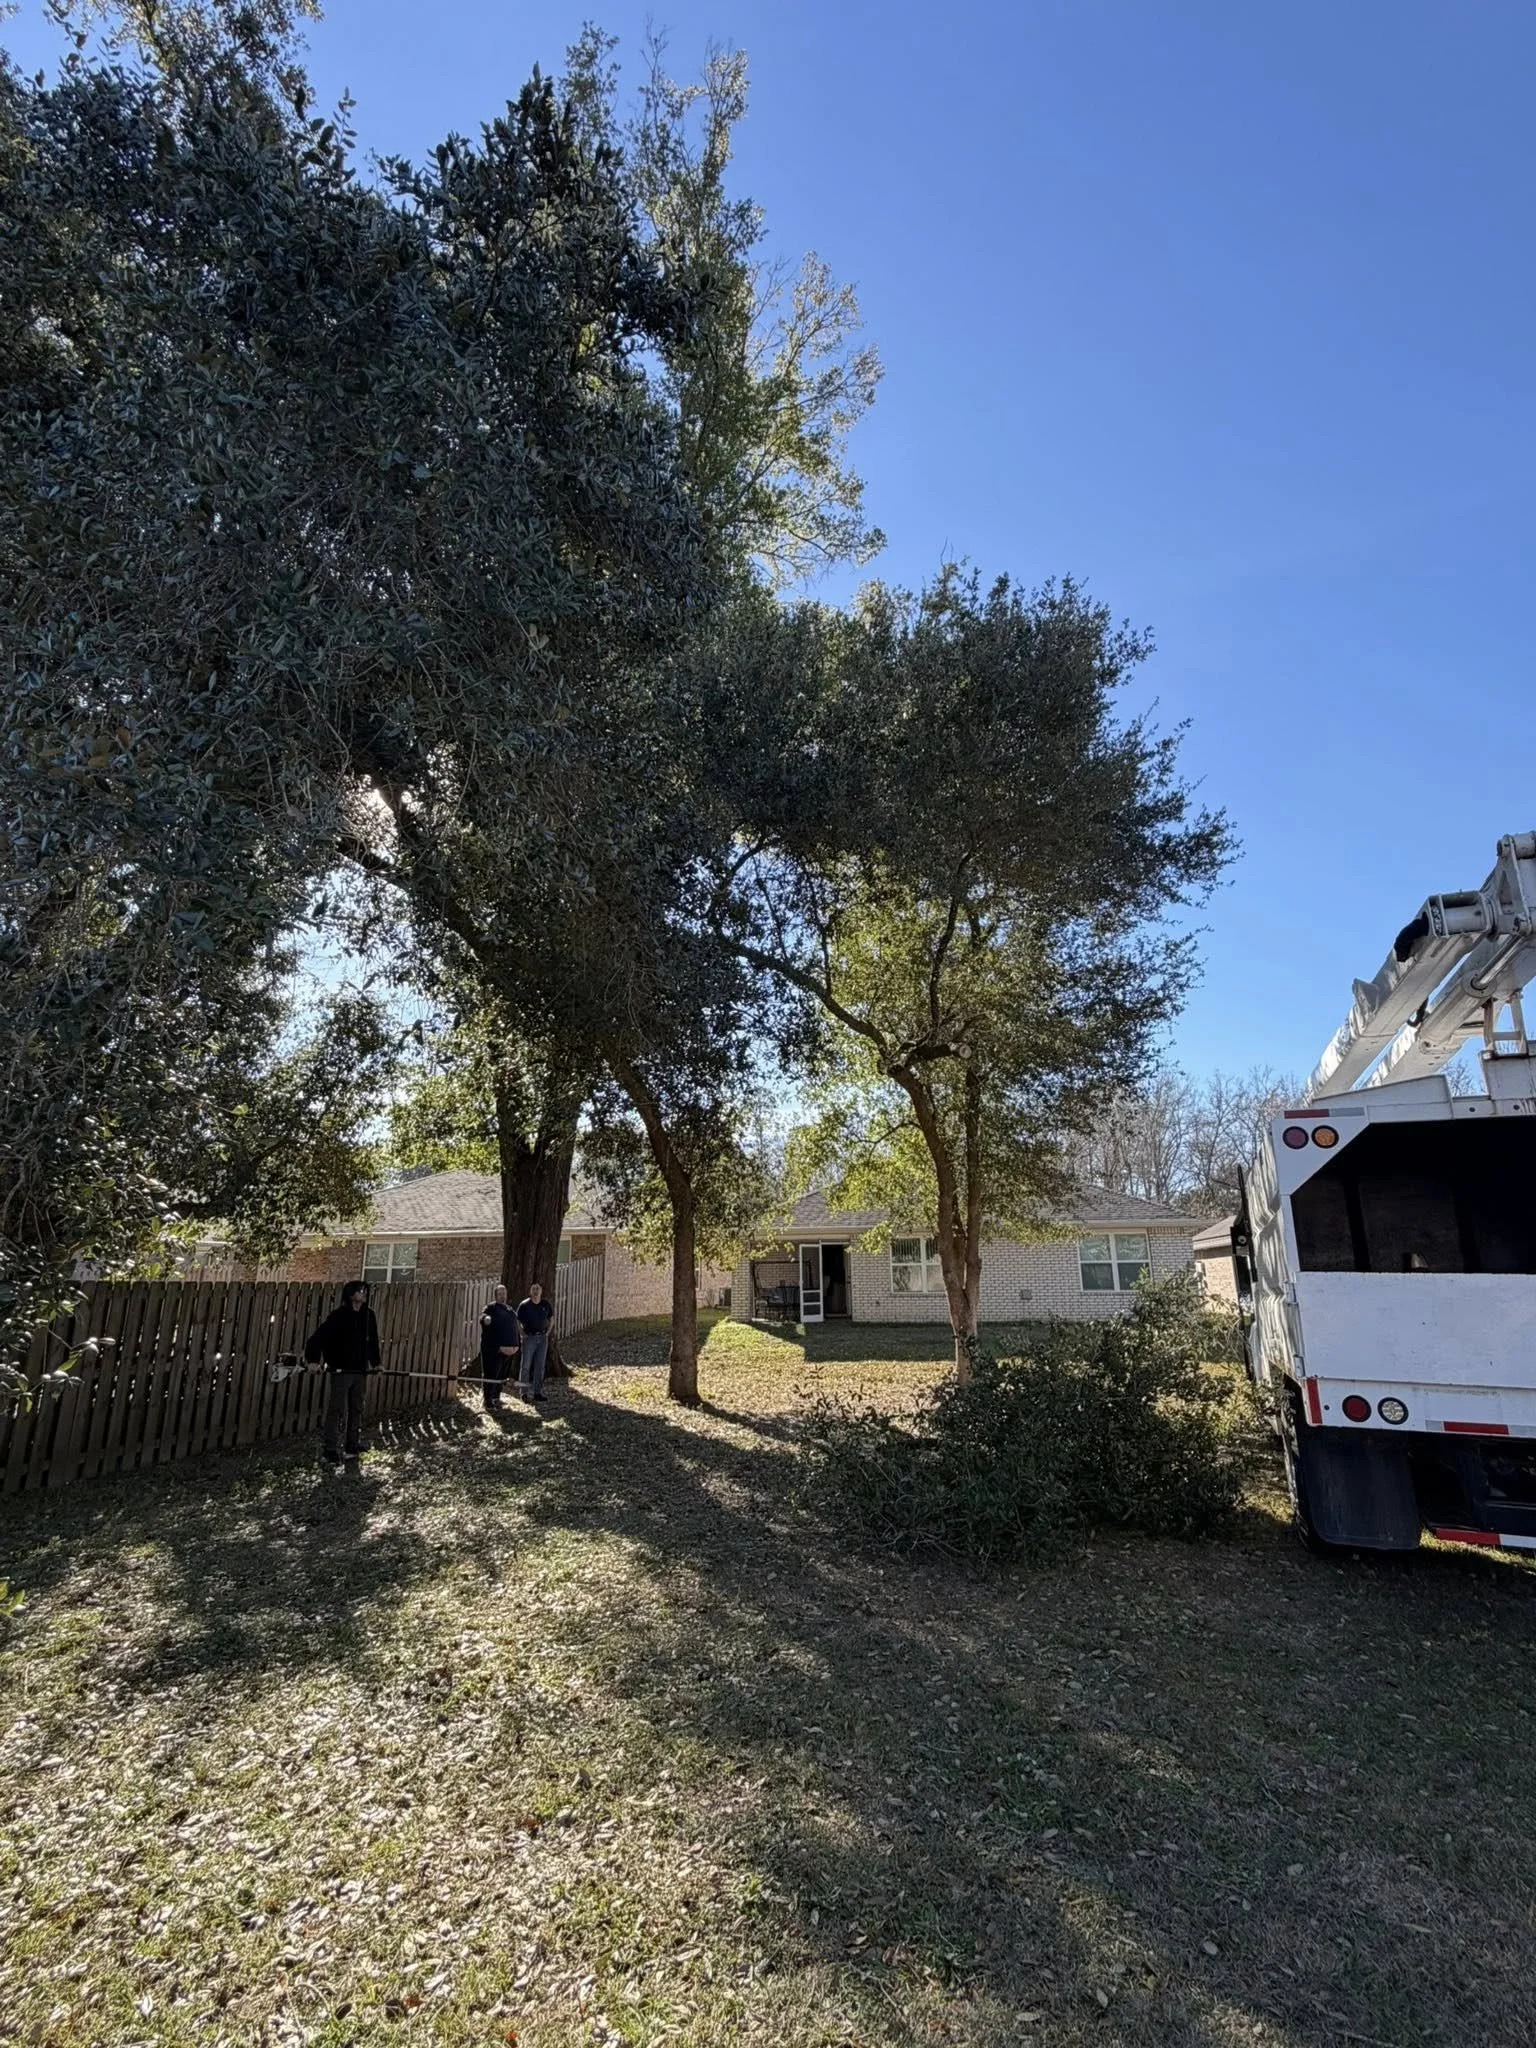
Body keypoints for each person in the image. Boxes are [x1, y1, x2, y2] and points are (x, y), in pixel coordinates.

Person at [304, 1279, 381, 1465]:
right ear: (350, 1294)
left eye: (364, 1291)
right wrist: (314, 1361)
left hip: (360, 1370)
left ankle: (351, 1444)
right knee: (337, 1409)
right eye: (359, 1290)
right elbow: (316, 1339)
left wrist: (376, 1363)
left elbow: (373, 1342)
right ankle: (330, 1449)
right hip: (341, 1370)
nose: (363, 1294)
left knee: (357, 1407)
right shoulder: (338, 1316)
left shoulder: (368, 1316)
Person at [479, 1284, 521, 1412]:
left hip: (509, 1351)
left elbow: (515, 1326)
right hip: (494, 1350)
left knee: (502, 1376)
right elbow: (482, 1316)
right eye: (500, 1293)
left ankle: (496, 1397)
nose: (503, 1295)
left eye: (504, 1293)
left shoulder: (510, 1309)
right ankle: (488, 1401)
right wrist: (486, 1319)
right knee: (491, 1374)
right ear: (496, 1295)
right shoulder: (491, 1307)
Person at [515, 1280, 555, 1404]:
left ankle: (537, 1392)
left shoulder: (545, 1304)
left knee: (540, 1366)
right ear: (530, 1291)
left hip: (542, 1338)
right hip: (529, 1338)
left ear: (541, 1291)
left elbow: (551, 1318)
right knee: (526, 1366)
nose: (536, 1291)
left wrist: (547, 1333)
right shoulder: (524, 1305)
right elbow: (517, 1320)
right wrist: (522, 1333)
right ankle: (524, 1393)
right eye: (534, 1289)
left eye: (538, 1289)